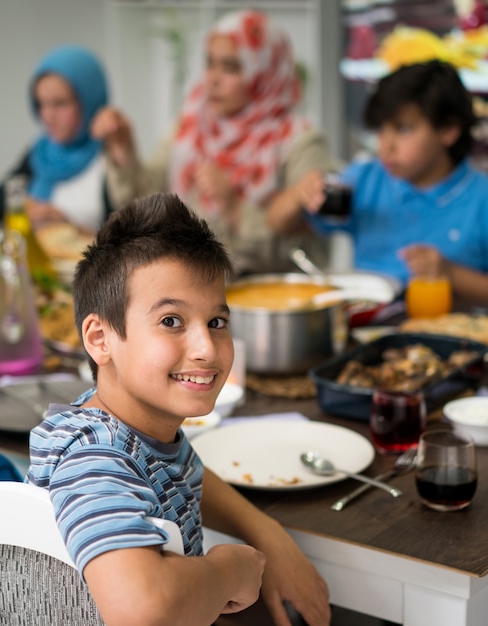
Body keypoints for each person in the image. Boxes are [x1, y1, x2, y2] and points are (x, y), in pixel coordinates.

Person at [26, 193, 330, 626]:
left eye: (216, 322)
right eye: (171, 321)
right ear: (100, 339)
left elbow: (187, 472)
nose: (206, 348)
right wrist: (231, 570)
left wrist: (268, 535)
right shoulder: (95, 457)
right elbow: (142, 612)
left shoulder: (139, 429)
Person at [91, 10, 340, 275]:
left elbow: (309, 250)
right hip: (193, 292)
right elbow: (146, 203)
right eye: (210, 63)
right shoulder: (192, 126)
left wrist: (236, 210)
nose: (213, 79)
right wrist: (123, 150)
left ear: (266, 73)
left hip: (267, 304)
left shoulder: (301, 142)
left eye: (231, 67)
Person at [267, 59, 488, 302]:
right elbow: (280, 223)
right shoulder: (366, 180)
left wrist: (450, 274)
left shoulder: (480, 198)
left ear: (448, 130)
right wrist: (300, 194)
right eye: (381, 130)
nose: (386, 145)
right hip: (368, 326)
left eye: (404, 129)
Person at [0, 45, 116, 235]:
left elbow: (131, 246)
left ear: (90, 100)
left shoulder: (112, 158)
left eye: (60, 103)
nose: (47, 116)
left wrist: (71, 229)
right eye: (41, 104)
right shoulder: (40, 152)